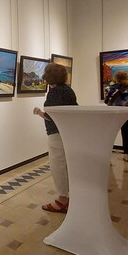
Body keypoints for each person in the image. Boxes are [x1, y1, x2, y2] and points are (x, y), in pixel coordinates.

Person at [33, 63, 77, 213]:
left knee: (57, 166)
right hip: (69, 133)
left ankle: (62, 200)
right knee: (66, 166)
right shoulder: (69, 91)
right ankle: (69, 197)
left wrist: (39, 113)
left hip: (56, 135)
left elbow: (52, 117)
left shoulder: (54, 93)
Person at [104, 71, 128, 162]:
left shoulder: (109, 88)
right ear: (126, 78)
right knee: (127, 135)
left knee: (110, 135)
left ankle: (108, 156)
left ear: (116, 78)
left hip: (115, 115)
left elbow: (106, 101)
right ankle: (126, 155)